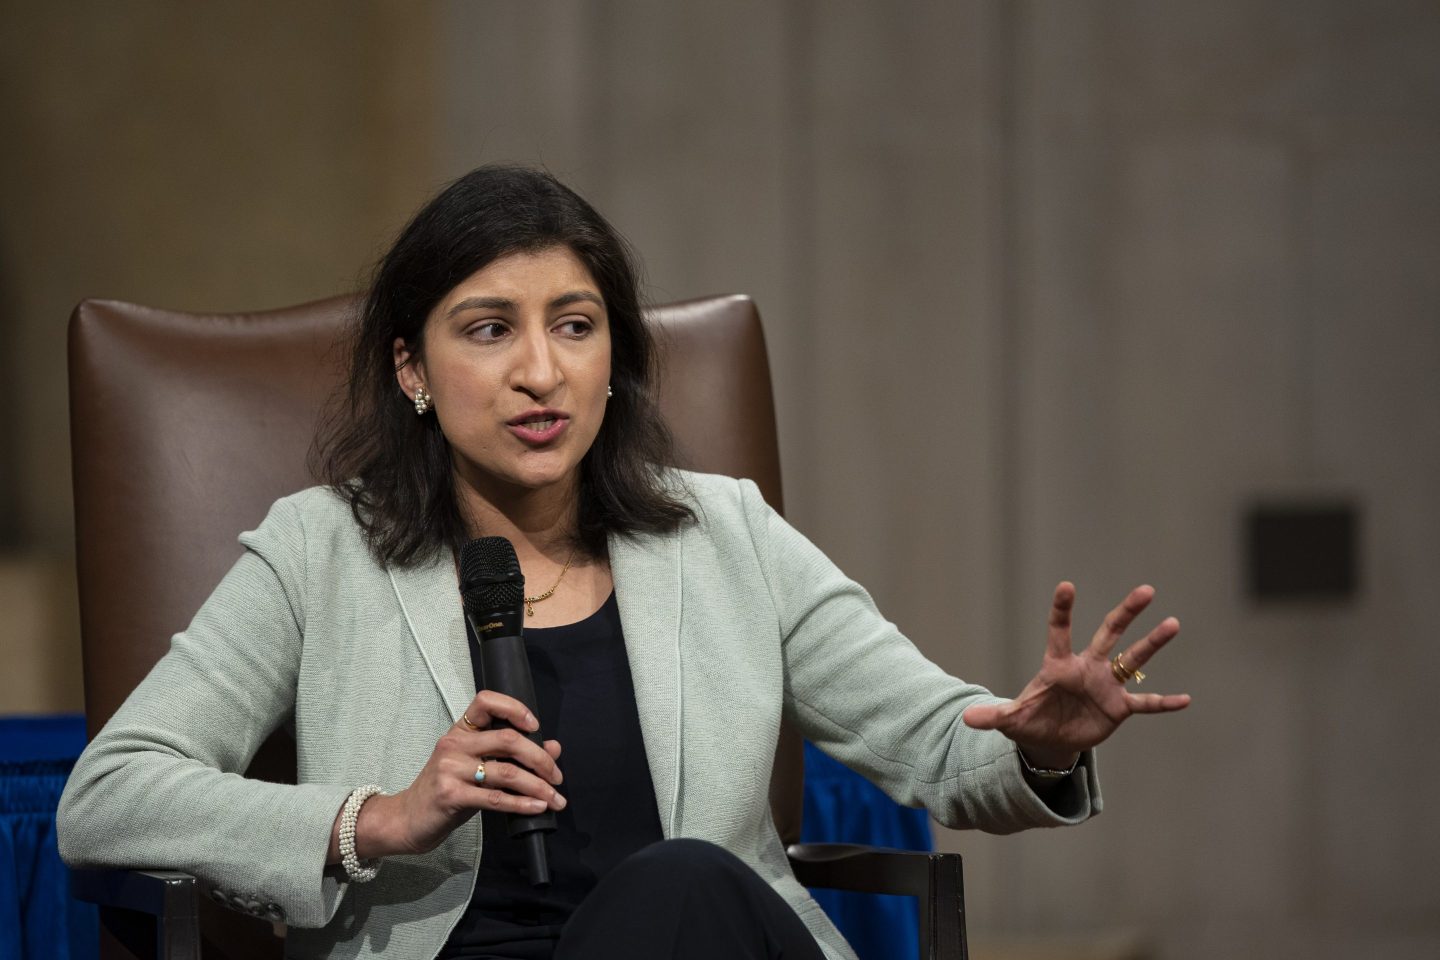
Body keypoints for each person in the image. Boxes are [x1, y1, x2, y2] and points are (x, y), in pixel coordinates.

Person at [57, 165, 1190, 960]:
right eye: (490, 327)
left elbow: (940, 747)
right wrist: (376, 819)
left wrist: (1034, 746)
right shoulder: (321, 550)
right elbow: (108, 798)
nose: (541, 371)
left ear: (617, 360)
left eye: (577, 325)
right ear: (412, 367)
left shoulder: (724, 534)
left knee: (685, 885)